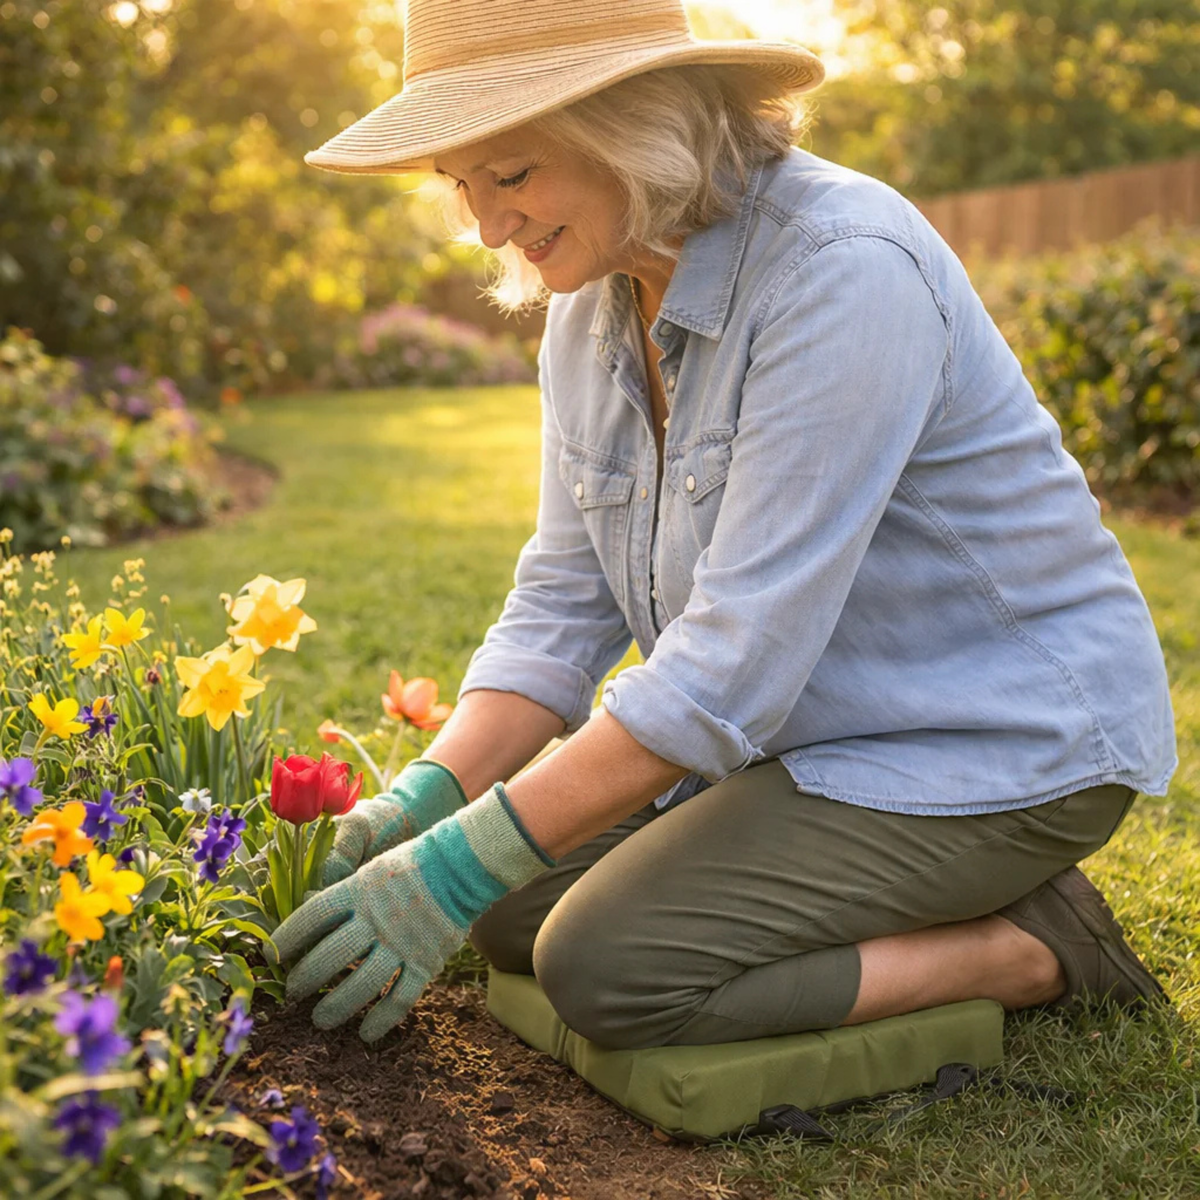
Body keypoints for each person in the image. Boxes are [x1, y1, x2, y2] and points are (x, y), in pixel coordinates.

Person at [267, 0, 1177, 1048]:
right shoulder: (589, 312)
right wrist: (425, 806)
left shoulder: (841, 269)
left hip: (993, 744)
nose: (485, 225)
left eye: (510, 175)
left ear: (633, 124)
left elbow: (728, 667)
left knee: (604, 967)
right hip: (804, 742)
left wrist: (459, 859)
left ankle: (1029, 946)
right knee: (509, 911)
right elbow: (563, 602)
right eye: (460, 184)